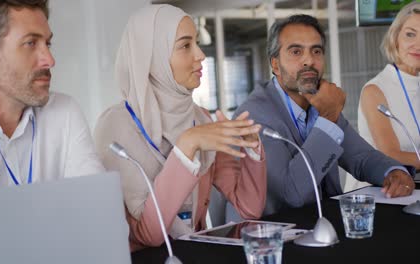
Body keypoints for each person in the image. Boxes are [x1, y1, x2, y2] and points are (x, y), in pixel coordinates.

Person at [93, 4, 266, 251]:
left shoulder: (201, 118)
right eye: (185, 45)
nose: (200, 55)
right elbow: (149, 234)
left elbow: (249, 207)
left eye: (196, 42)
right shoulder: (115, 126)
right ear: (152, 58)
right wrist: (187, 145)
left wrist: (251, 148)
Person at [0, 0, 105, 260]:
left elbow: (102, 222)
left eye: (48, 43)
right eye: (31, 43)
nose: (50, 59)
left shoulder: (64, 113)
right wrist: (58, 225)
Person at [234, 14, 414, 216]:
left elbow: (361, 157)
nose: (309, 60)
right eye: (296, 51)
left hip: (323, 223)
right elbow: (292, 194)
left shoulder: (318, 101)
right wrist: (328, 117)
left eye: (316, 51)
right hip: (270, 235)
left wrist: (393, 172)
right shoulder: (254, 117)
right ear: (275, 65)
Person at [358, 2, 420, 177]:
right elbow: (390, 155)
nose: (418, 44)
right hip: (377, 193)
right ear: (395, 38)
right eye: (410, 35)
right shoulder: (375, 90)